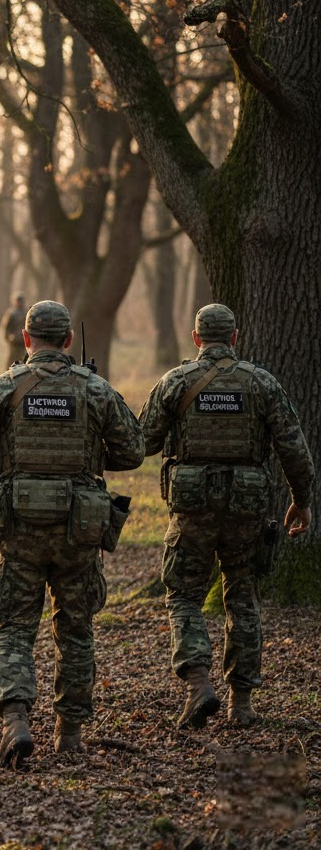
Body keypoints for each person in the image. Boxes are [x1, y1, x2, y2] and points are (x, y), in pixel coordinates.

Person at [0, 301, 144, 765]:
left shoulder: (4, 387)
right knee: (75, 629)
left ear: (25, 338)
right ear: (69, 341)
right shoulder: (95, 389)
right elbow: (134, 450)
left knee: (15, 627)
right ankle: (70, 732)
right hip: (80, 528)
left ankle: (16, 719)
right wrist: (89, 459)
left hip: (19, 529)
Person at [139, 303, 314, 729]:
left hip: (192, 506)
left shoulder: (175, 382)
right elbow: (294, 449)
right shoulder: (261, 383)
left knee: (183, 594)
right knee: (242, 594)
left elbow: (142, 442)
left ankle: (199, 683)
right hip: (247, 506)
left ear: (197, 338)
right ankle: (242, 702)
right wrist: (302, 500)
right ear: (234, 337)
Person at [0, 291, 27, 370]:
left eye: (21, 301)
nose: (19, 303)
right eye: (18, 301)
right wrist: (9, 338)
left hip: (25, 343)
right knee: (11, 362)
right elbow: (6, 328)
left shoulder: (27, 313)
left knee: (24, 362)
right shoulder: (11, 313)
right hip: (14, 343)